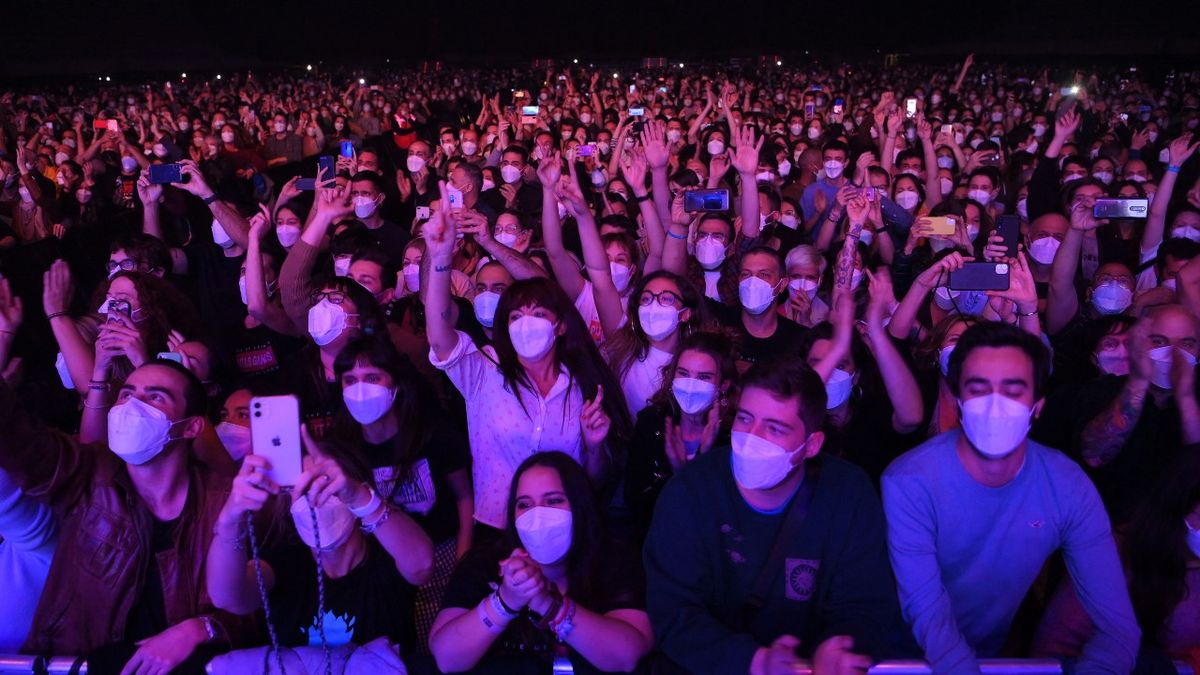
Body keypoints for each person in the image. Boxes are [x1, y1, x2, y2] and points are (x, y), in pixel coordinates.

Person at [882, 322, 1140, 673]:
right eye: (979, 389)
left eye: (1013, 390)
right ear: (959, 402)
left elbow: (1118, 627)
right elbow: (929, 615)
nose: (995, 405)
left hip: (991, 654)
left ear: (1037, 406)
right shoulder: (910, 481)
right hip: (895, 658)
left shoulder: (1068, 487)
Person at [644, 357, 909, 674]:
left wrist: (839, 646)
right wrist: (752, 661)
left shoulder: (848, 495)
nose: (752, 438)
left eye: (774, 428)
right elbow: (672, 610)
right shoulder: (692, 491)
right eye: (745, 419)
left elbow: (867, 604)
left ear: (811, 445)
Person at [0, 360, 257, 671]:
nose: (132, 406)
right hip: (78, 665)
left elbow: (265, 599)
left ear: (191, 426)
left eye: (155, 397)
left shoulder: (226, 501)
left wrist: (198, 628)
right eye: (126, 395)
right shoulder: (88, 473)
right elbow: (21, 443)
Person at [425, 189, 630, 537]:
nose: (526, 322)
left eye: (537, 313)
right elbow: (439, 335)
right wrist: (441, 258)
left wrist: (595, 448)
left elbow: (594, 481)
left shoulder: (582, 386)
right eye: (517, 315)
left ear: (560, 324)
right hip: (496, 530)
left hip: (567, 531)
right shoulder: (485, 370)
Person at [206, 429, 433, 659]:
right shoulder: (284, 564)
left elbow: (422, 565)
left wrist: (360, 497)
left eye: (326, 486)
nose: (314, 499)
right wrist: (229, 520)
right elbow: (227, 597)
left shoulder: (387, 552)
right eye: (302, 490)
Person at [429, 451, 653, 674]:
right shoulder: (483, 563)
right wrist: (505, 601)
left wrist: (550, 606)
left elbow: (627, 657)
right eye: (524, 505)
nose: (537, 515)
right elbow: (446, 659)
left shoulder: (616, 559)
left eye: (553, 501)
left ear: (579, 505)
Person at [624, 331, 736, 538]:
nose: (691, 385)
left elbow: (725, 518)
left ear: (723, 386)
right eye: (683, 373)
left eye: (703, 377)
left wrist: (703, 457)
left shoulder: (732, 440)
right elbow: (636, 502)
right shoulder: (651, 423)